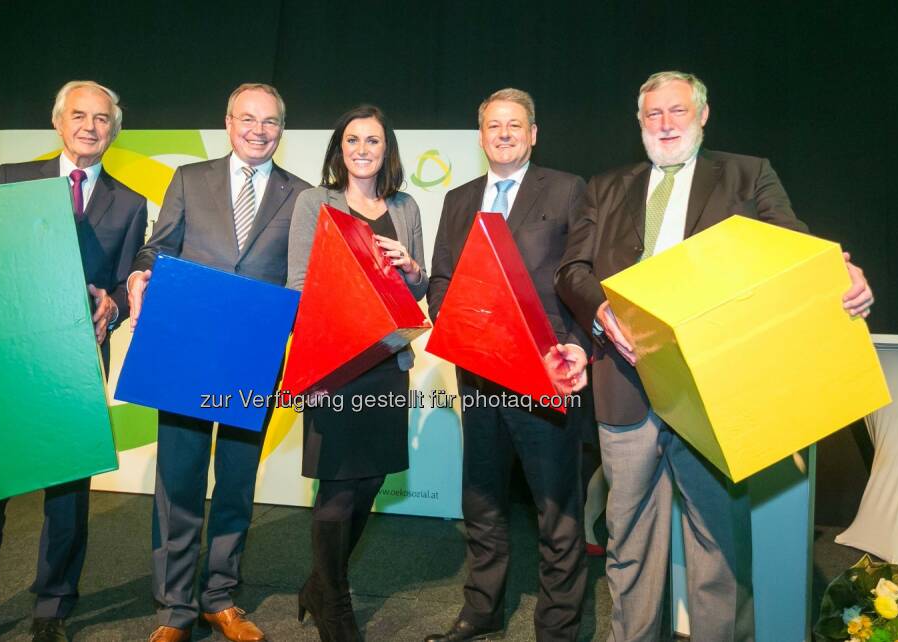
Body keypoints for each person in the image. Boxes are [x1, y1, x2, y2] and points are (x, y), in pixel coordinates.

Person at [554, 70, 874, 641]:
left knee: (719, 546)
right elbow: (572, 270)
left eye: (678, 111)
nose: (666, 124)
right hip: (625, 386)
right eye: (653, 114)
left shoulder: (748, 174)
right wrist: (601, 311)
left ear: (703, 115)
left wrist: (842, 273)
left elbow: (792, 249)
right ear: (639, 122)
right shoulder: (604, 186)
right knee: (628, 545)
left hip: (715, 390)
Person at [0, 80, 148, 642]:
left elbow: (128, 288)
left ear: (115, 130)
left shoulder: (131, 204)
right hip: (4, 358)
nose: (90, 126)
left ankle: (52, 610)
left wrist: (115, 302)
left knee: (66, 498)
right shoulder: (13, 178)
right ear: (57, 123)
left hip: (73, 365)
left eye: (102, 118)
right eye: (79, 115)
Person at [128, 83, 309, 642]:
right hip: (184, 352)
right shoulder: (189, 179)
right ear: (228, 122)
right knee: (178, 482)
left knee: (235, 482)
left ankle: (220, 598)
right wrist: (140, 270)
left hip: (253, 360)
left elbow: (304, 279)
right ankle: (175, 609)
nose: (258, 130)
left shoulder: (303, 195)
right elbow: (158, 247)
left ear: (282, 128)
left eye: (270, 122)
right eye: (248, 119)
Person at [424, 88, 590, 642]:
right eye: (493, 125)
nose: (503, 133)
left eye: (514, 125)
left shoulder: (567, 190)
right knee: (483, 498)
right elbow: (441, 278)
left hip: (544, 374)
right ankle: (481, 610)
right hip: (477, 374)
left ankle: (559, 628)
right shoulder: (459, 198)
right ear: (480, 135)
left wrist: (568, 350)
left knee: (557, 507)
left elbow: (579, 275)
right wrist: (460, 327)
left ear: (533, 133)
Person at [285, 104, 426, 642]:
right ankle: (335, 605)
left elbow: (415, 291)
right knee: (338, 490)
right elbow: (299, 285)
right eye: (352, 140)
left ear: (386, 149)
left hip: (388, 364)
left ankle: (320, 585)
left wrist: (413, 270)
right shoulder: (313, 203)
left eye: (373, 141)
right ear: (338, 149)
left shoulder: (406, 206)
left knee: (368, 482)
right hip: (335, 366)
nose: (363, 149)